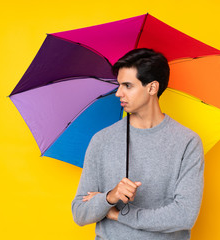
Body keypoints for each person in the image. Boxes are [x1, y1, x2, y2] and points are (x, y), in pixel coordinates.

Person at [71, 48, 204, 240]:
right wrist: (110, 197)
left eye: (127, 86)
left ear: (152, 88)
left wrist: (117, 215)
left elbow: (184, 216)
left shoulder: (187, 142)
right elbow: (80, 212)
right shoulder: (102, 140)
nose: (118, 93)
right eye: (119, 85)